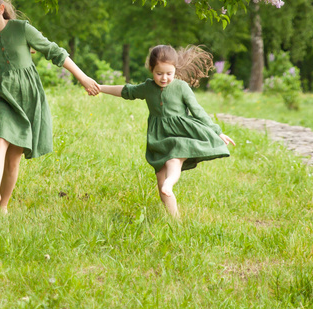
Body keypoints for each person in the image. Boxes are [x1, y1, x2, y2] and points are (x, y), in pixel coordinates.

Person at [0, 0, 100, 214]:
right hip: (0, 97)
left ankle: (2, 207)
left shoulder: (21, 29)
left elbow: (54, 51)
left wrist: (82, 78)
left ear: (1, 9)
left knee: (13, 160)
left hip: (26, 97)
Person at [98, 44, 234, 218]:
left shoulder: (181, 87)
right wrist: (100, 88)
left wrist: (217, 131)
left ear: (175, 70)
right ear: (151, 70)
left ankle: (170, 182)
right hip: (159, 137)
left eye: (169, 73)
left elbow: (197, 110)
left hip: (181, 133)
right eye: (159, 73)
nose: (164, 78)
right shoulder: (148, 88)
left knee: (174, 161)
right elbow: (127, 91)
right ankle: (174, 220)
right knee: (160, 182)